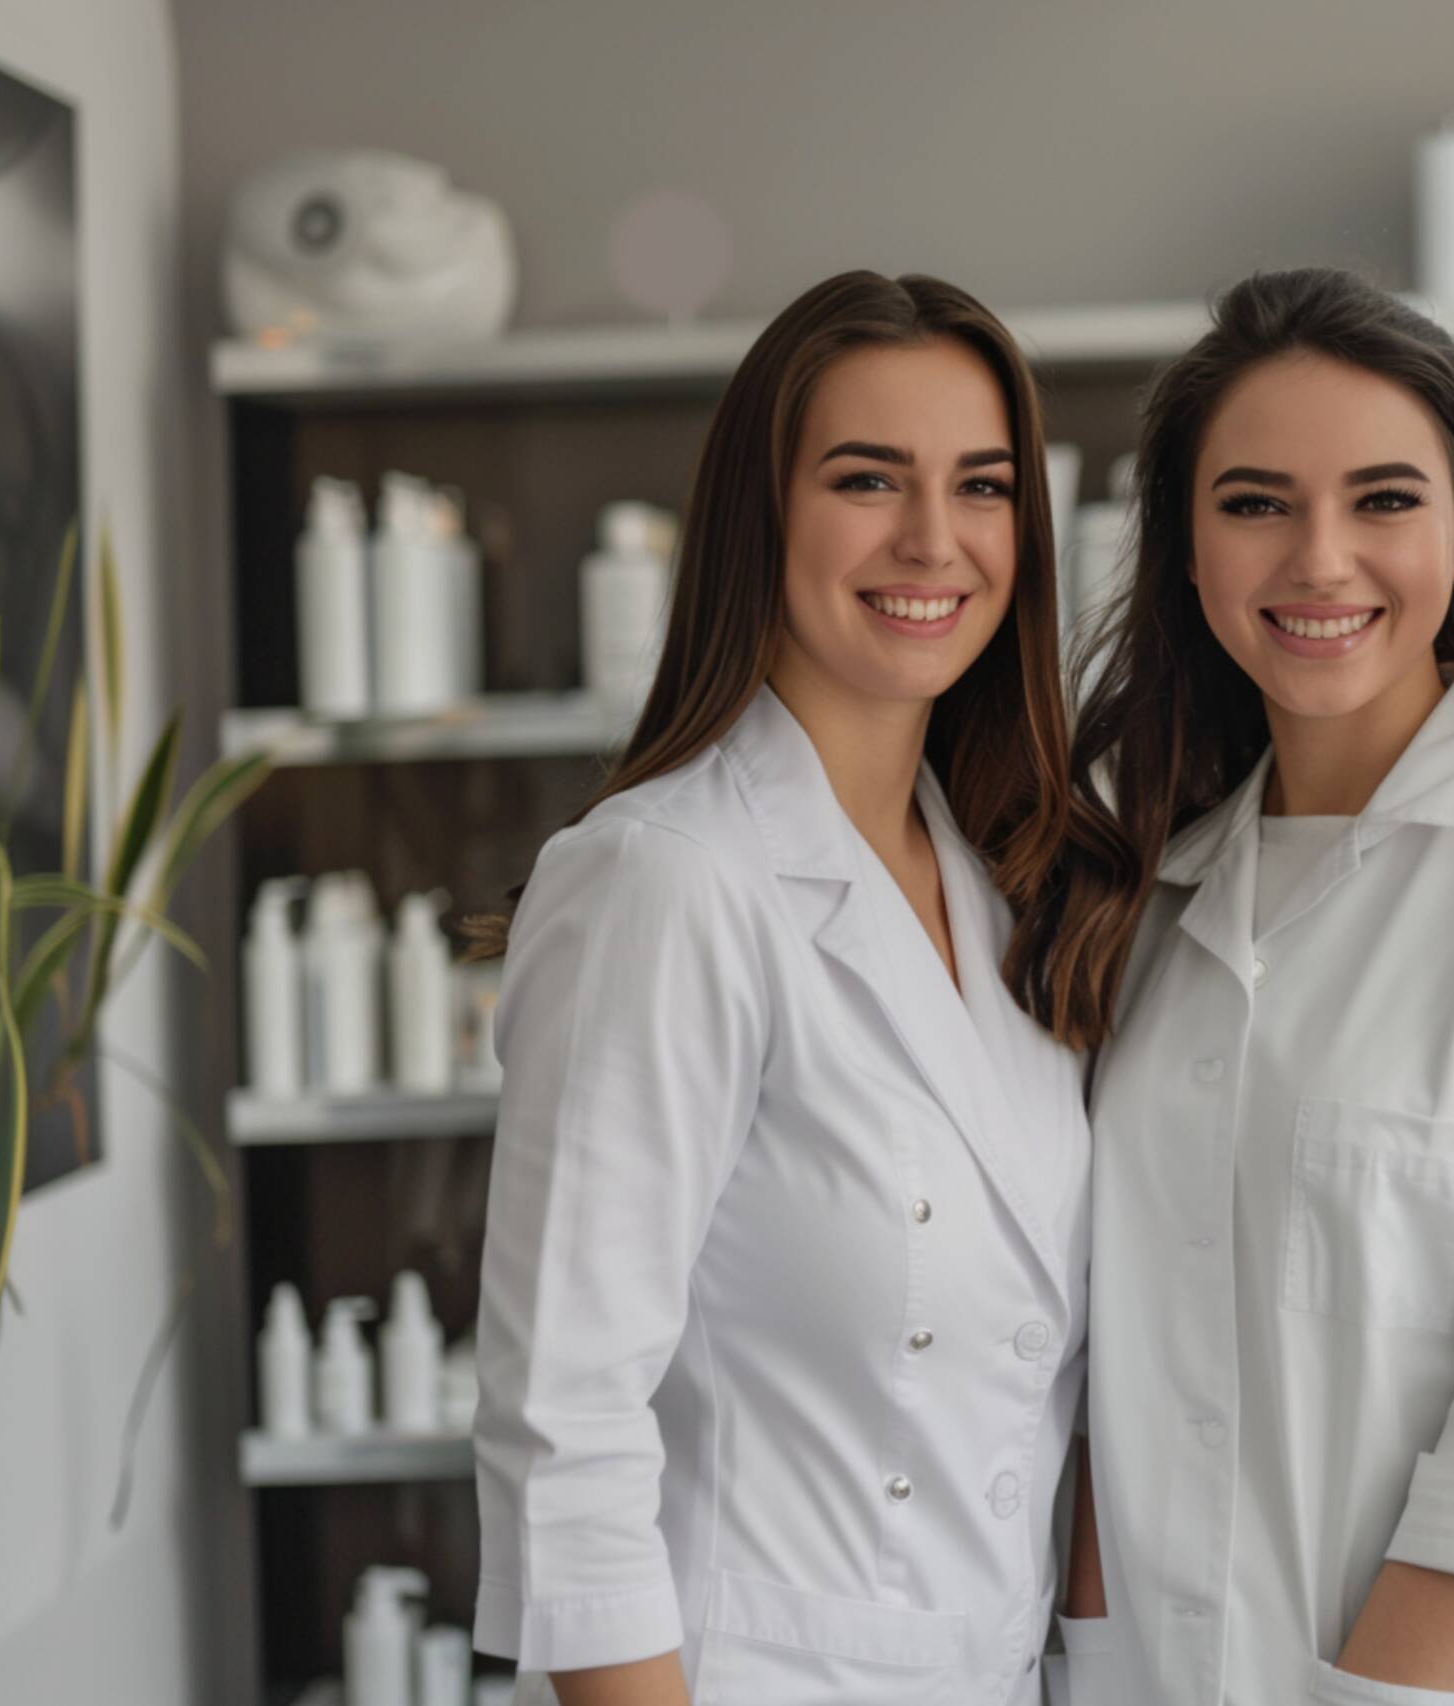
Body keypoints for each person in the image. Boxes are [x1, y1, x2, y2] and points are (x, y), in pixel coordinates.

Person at [1016, 267, 1454, 1704]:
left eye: (1384, 501)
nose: (1319, 559)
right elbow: (1109, 1363)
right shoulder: (1138, 905)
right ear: (1186, 551)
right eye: (1256, 503)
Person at [468, 270, 1088, 1706]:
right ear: (764, 512)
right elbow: (564, 1419)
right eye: (869, 478)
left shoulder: (1005, 880)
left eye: (981, 485)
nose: (933, 538)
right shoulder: (667, 878)